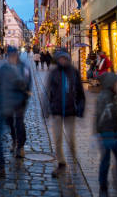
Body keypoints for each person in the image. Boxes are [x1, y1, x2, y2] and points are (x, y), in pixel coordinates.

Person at [0, 46, 32, 176]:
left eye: (14, 55)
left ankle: (20, 146)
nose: (12, 57)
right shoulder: (4, 68)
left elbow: (28, 82)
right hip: (7, 103)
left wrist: (25, 95)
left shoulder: (24, 67)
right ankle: (14, 141)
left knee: (19, 123)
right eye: (10, 55)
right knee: (10, 123)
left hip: (20, 101)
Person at [46, 49, 85, 177]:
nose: (62, 60)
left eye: (64, 58)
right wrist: (48, 108)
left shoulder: (74, 72)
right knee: (57, 139)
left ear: (67, 59)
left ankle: (73, 159)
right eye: (60, 59)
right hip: (57, 110)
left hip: (70, 111)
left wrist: (80, 108)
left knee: (71, 139)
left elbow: (80, 92)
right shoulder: (54, 73)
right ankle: (61, 163)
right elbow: (48, 91)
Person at [95, 72, 117, 196]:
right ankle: (103, 186)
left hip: (115, 132)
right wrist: (99, 134)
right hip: (107, 135)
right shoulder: (104, 97)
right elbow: (100, 117)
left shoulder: (113, 96)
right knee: (106, 161)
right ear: (111, 84)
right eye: (116, 83)